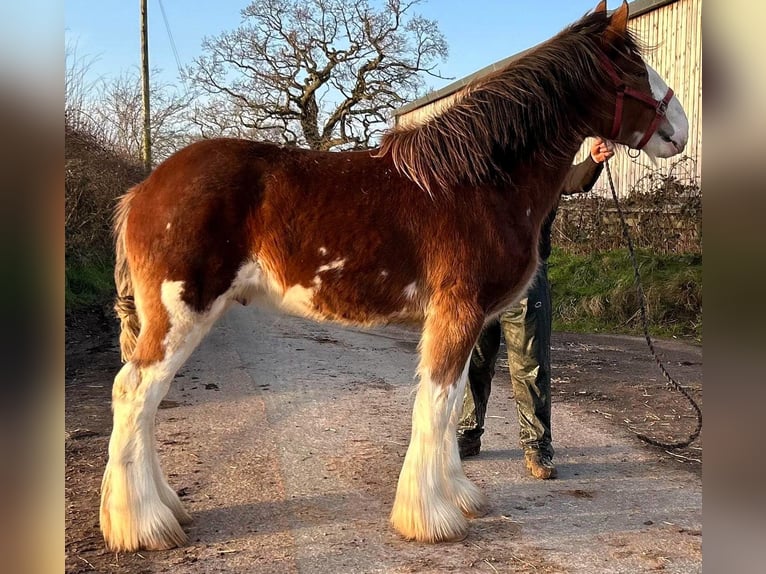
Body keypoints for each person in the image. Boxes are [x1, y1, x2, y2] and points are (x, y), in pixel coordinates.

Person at [457, 138, 614, 479]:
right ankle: (468, 433)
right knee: (476, 360)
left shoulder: (546, 162)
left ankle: (537, 446)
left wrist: (593, 161)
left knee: (531, 365)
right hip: (485, 277)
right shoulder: (486, 162)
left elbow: (572, 180)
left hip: (528, 277)